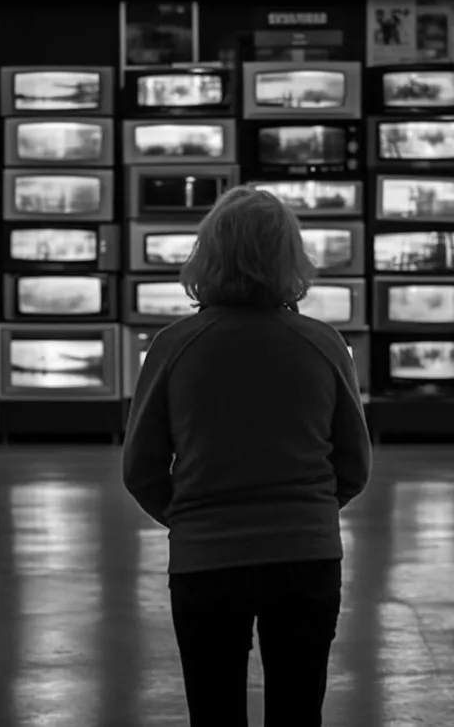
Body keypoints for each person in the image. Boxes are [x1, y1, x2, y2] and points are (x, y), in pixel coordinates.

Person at [122, 186, 373, 726]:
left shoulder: (173, 345)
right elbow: (355, 465)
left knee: (213, 715)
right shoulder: (325, 343)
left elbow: (140, 469)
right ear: (291, 258)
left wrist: (196, 518)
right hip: (306, 557)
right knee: (298, 713)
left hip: (206, 561)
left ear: (205, 254)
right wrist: (303, 512)